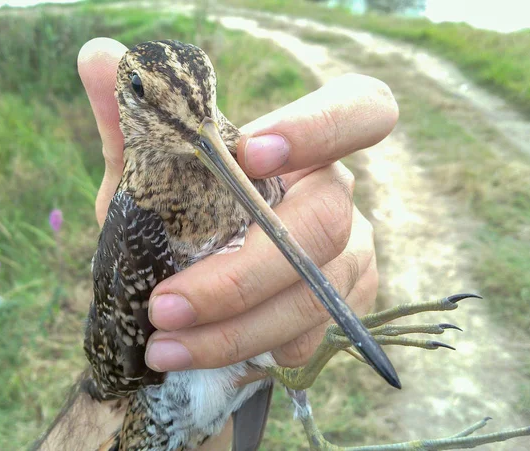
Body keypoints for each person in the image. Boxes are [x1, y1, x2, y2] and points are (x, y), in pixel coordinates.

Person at [37, 37, 399, 450]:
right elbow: (122, 374)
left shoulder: (250, 153)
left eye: (205, 110)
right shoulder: (136, 218)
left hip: (223, 388)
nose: (210, 140)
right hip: (162, 406)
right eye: (143, 92)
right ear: (127, 96)